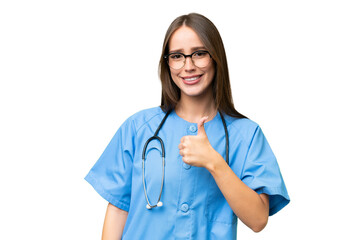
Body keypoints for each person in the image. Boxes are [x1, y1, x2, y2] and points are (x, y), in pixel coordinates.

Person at [85, 13, 290, 239]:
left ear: (216, 57)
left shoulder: (247, 135)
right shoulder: (138, 128)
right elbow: (118, 207)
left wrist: (214, 162)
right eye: (177, 56)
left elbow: (258, 220)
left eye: (199, 54)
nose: (188, 66)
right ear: (167, 63)